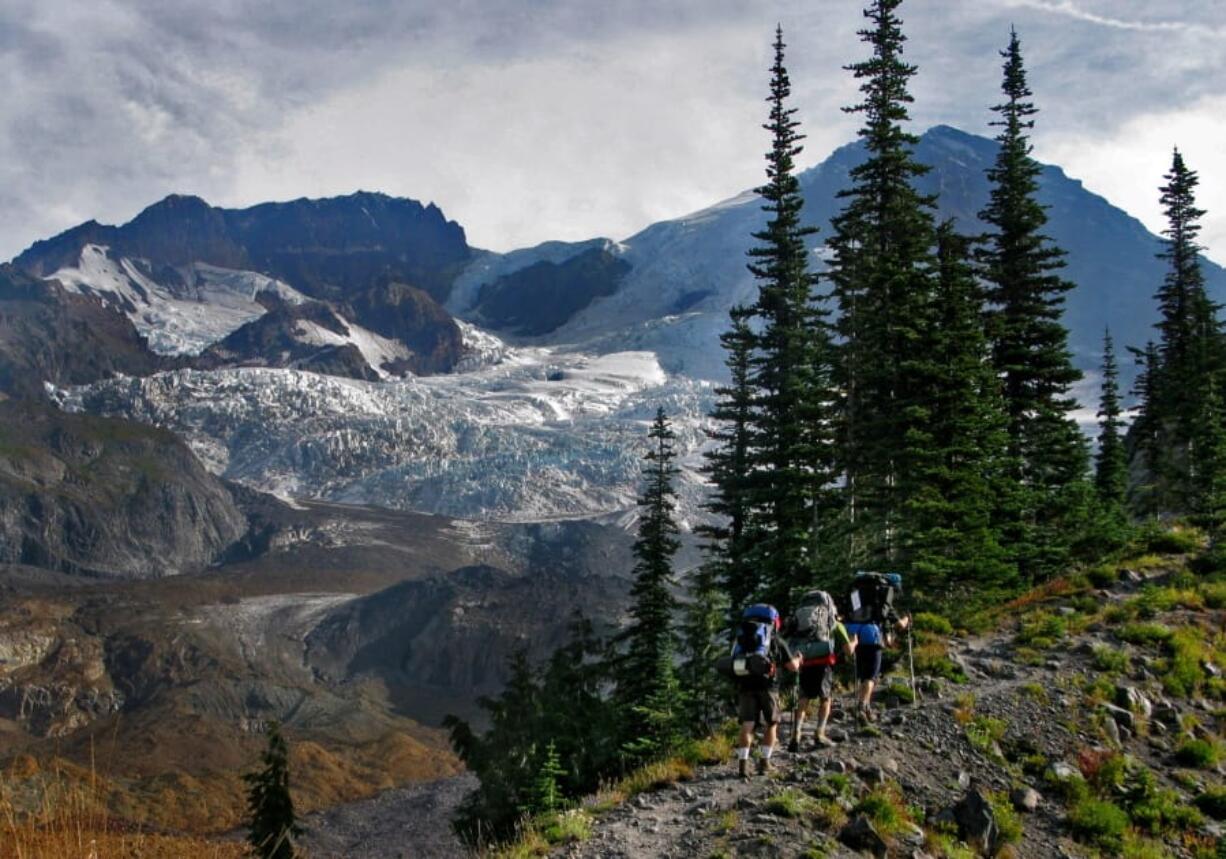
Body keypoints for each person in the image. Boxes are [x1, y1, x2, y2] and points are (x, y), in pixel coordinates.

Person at [732, 607, 801, 778]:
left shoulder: (740, 639)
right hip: (768, 687)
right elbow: (792, 667)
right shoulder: (774, 638)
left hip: (745, 685)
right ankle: (765, 763)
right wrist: (799, 659)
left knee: (747, 724)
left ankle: (743, 765)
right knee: (772, 723)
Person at [789, 613, 856, 750]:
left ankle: (796, 733)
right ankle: (820, 732)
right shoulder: (835, 623)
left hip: (805, 662)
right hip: (824, 664)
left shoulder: (803, 622)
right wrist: (855, 641)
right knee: (825, 698)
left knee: (804, 698)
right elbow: (848, 651)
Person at [845, 609, 910, 724]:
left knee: (864, 676)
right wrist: (906, 619)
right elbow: (899, 624)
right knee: (871, 677)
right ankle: (862, 706)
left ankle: (866, 709)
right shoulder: (880, 601)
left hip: (854, 634)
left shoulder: (855, 596)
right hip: (872, 637)